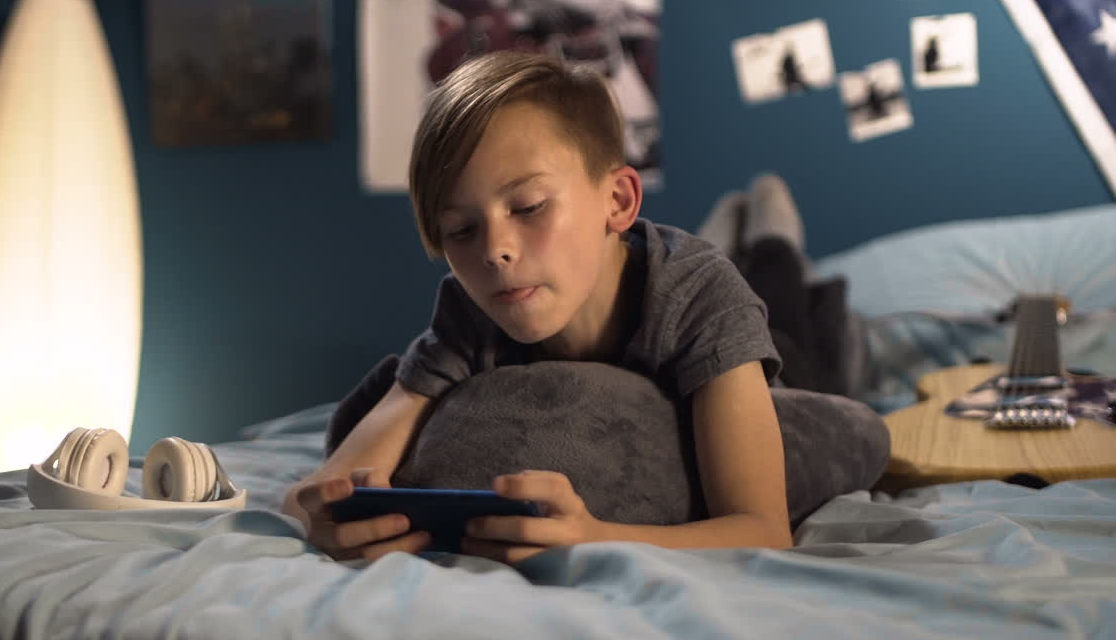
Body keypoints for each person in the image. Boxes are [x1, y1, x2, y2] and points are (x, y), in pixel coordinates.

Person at [283, 51, 867, 563]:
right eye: (460, 229)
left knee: (788, 311)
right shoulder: (470, 312)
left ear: (617, 200)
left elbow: (762, 531)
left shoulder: (700, 296)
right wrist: (326, 518)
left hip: (769, 353)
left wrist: (595, 536)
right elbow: (313, 490)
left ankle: (768, 221)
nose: (494, 250)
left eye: (529, 206)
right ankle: (727, 224)